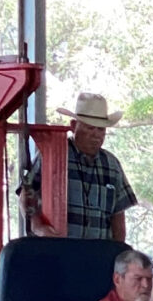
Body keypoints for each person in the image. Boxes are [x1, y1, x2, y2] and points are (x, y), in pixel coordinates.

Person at [23, 93, 137, 241]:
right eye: (90, 128)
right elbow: (26, 192)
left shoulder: (112, 164)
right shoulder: (54, 155)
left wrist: (118, 252)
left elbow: (118, 215)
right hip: (56, 252)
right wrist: (38, 227)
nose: (96, 135)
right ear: (73, 126)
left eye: (101, 129)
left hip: (97, 255)